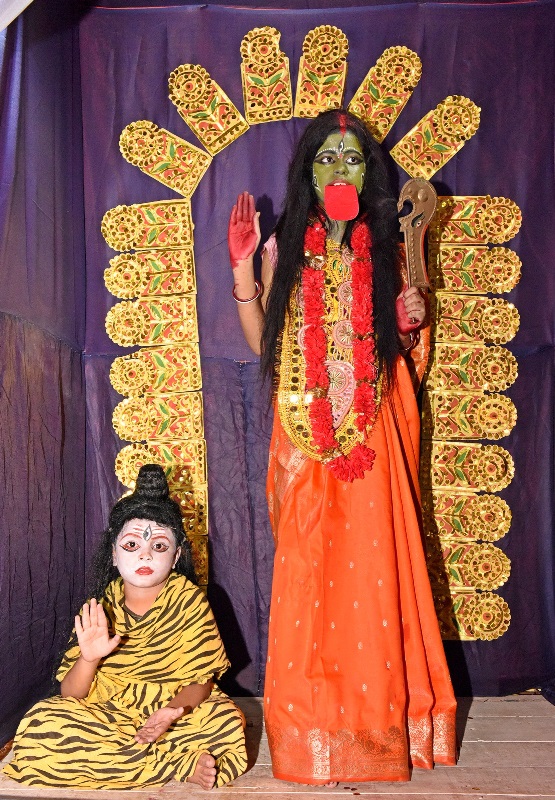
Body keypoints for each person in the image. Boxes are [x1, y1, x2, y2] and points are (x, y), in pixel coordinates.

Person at [227, 109, 457, 784]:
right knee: (307, 575)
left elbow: (406, 342)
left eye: (351, 158)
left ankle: (377, 728)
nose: (338, 168)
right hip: (303, 437)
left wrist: (410, 321)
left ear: (367, 175)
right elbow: (261, 343)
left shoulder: (387, 248)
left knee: (373, 571)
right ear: (307, 171)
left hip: (372, 429)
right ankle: (310, 735)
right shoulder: (285, 250)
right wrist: (243, 268)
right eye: (325, 157)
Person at [3, 464, 247, 790]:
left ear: (176, 556)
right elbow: (71, 695)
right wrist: (89, 658)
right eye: (132, 545)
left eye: (159, 546)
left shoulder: (188, 600)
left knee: (227, 720)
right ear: (114, 554)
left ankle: (134, 760)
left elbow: (200, 683)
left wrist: (170, 712)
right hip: (108, 710)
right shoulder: (101, 607)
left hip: (173, 710)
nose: (145, 555)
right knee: (42, 724)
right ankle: (174, 764)